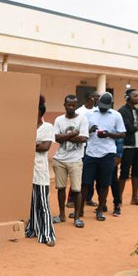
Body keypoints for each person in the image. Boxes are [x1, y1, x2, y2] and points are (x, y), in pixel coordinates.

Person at [76, 93, 126, 223]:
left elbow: (122, 134)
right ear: (98, 103)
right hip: (91, 153)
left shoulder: (116, 115)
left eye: (106, 106)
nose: (103, 108)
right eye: (101, 105)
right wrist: (90, 130)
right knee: (85, 183)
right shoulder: (89, 114)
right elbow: (81, 132)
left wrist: (109, 134)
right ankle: (79, 210)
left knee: (104, 183)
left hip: (107, 153)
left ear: (111, 104)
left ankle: (100, 210)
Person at [52, 95, 88, 228]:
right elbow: (56, 138)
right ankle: (62, 215)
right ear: (64, 105)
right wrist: (73, 134)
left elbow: (83, 138)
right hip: (60, 159)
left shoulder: (82, 119)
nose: (71, 107)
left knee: (76, 189)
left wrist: (64, 136)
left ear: (76, 105)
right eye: (69, 105)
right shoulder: (59, 120)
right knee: (61, 188)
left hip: (75, 160)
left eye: (73, 105)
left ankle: (77, 218)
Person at [26, 98, 56, 246]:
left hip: (40, 171)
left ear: (40, 112)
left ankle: (48, 234)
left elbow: (45, 147)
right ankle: (32, 229)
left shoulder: (47, 127)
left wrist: (30, 144)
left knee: (43, 203)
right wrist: (37, 143)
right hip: (27, 171)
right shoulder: (26, 126)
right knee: (31, 203)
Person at [117, 89, 138, 208]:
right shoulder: (122, 111)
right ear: (127, 97)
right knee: (124, 172)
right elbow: (127, 127)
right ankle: (118, 199)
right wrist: (137, 127)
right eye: (135, 95)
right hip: (128, 145)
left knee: (137, 171)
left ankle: (135, 198)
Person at [71, 90, 100, 208]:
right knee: (77, 173)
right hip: (80, 147)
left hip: (93, 147)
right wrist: (89, 130)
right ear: (90, 98)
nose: (98, 99)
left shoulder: (97, 111)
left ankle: (88, 198)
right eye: (97, 96)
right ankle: (72, 199)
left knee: (91, 174)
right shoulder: (79, 112)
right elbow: (74, 131)